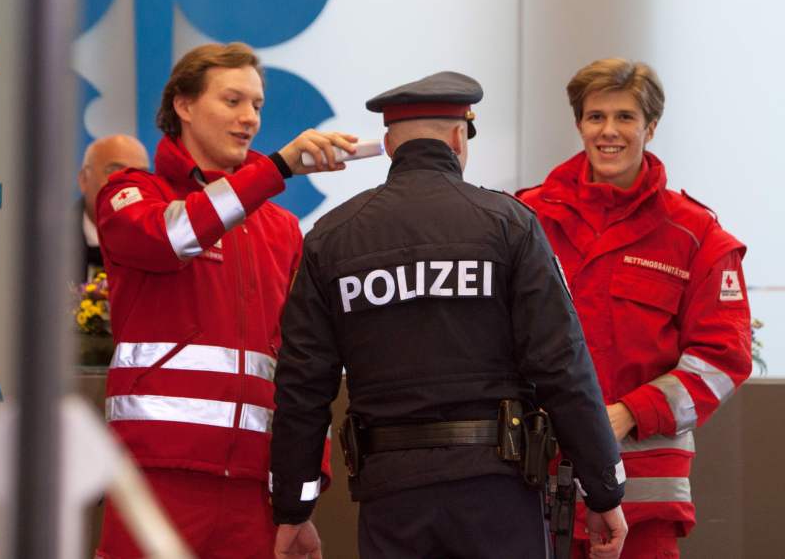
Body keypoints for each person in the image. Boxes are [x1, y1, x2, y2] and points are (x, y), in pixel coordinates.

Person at [270, 71, 628, 559]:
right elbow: (561, 363)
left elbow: (303, 387)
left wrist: (294, 508)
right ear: (459, 137)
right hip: (496, 491)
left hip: (391, 497)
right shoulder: (509, 224)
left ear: (392, 147)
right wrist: (603, 487)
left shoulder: (331, 239)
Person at [93, 42, 353, 559]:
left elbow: (302, 368)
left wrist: (297, 501)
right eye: (232, 100)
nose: (250, 118)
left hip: (253, 493)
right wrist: (276, 167)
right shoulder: (131, 193)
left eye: (257, 105)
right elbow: (173, 237)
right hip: (153, 478)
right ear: (183, 106)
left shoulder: (280, 229)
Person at [517, 58, 752, 558]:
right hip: (531, 492)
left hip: (641, 504)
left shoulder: (696, 236)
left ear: (651, 126)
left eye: (625, 117)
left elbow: (722, 360)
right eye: (595, 116)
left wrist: (630, 413)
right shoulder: (526, 220)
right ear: (579, 124)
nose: (609, 131)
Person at [77, 134, 150, 282]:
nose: (129, 186)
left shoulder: (161, 245)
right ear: (84, 179)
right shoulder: (48, 241)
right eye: (115, 171)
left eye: (141, 174)